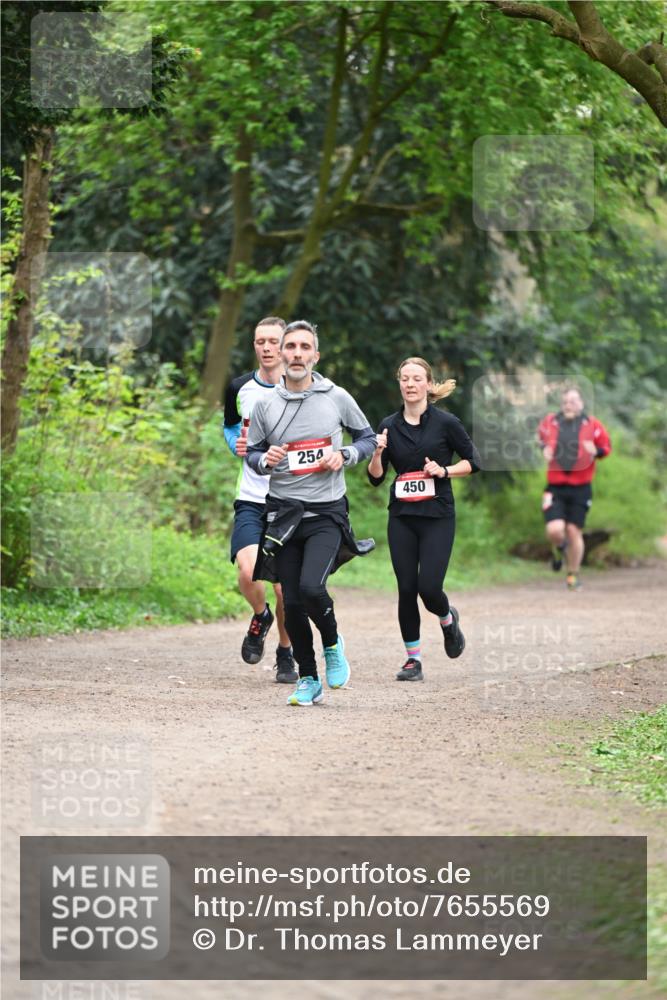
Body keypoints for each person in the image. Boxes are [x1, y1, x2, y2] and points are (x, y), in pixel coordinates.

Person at [246, 320, 377, 707]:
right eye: (291, 347)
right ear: (282, 355)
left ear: (315, 356)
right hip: (283, 515)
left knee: (311, 588)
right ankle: (307, 677)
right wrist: (263, 459)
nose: (297, 354)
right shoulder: (265, 404)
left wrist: (347, 454)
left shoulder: (336, 396)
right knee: (292, 600)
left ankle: (333, 645)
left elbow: (367, 437)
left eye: (305, 347)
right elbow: (251, 454)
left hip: (326, 513)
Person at [367, 358, 480, 682]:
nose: (410, 384)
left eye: (417, 378)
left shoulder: (446, 424)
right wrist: (377, 453)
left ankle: (447, 619)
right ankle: (412, 660)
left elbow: (474, 461)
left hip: (437, 515)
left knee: (429, 587)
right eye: (405, 378)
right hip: (402, 515)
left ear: (429, 385)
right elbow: (376, 478)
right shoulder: (388, 424)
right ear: (400, 384)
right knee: (406, 588)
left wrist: (444, 471)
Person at [223, 316, 297, 683]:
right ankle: (260, 614)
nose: (266, 348)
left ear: (285, 346)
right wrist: (235, 444)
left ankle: (286, 651)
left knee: (285, 585)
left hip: (288, 499)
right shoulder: (239, 387)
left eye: (273, 341)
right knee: (247, 570)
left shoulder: (301, 389)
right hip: (251, 496)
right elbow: (230, 425)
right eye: (259, 341)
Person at [538, 386, 611, 590]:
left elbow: (606, 447)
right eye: (565, 402)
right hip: (555, 487)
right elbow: (541, 439)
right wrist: (545, 449)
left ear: (581, 403)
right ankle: (559, 548)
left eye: (573, 401)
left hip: (581, 487)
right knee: (555, 530)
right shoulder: (551, 421)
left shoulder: (593, 425)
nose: (568, 405)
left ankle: (572, 575)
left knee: (573, 530)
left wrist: (595, 451)